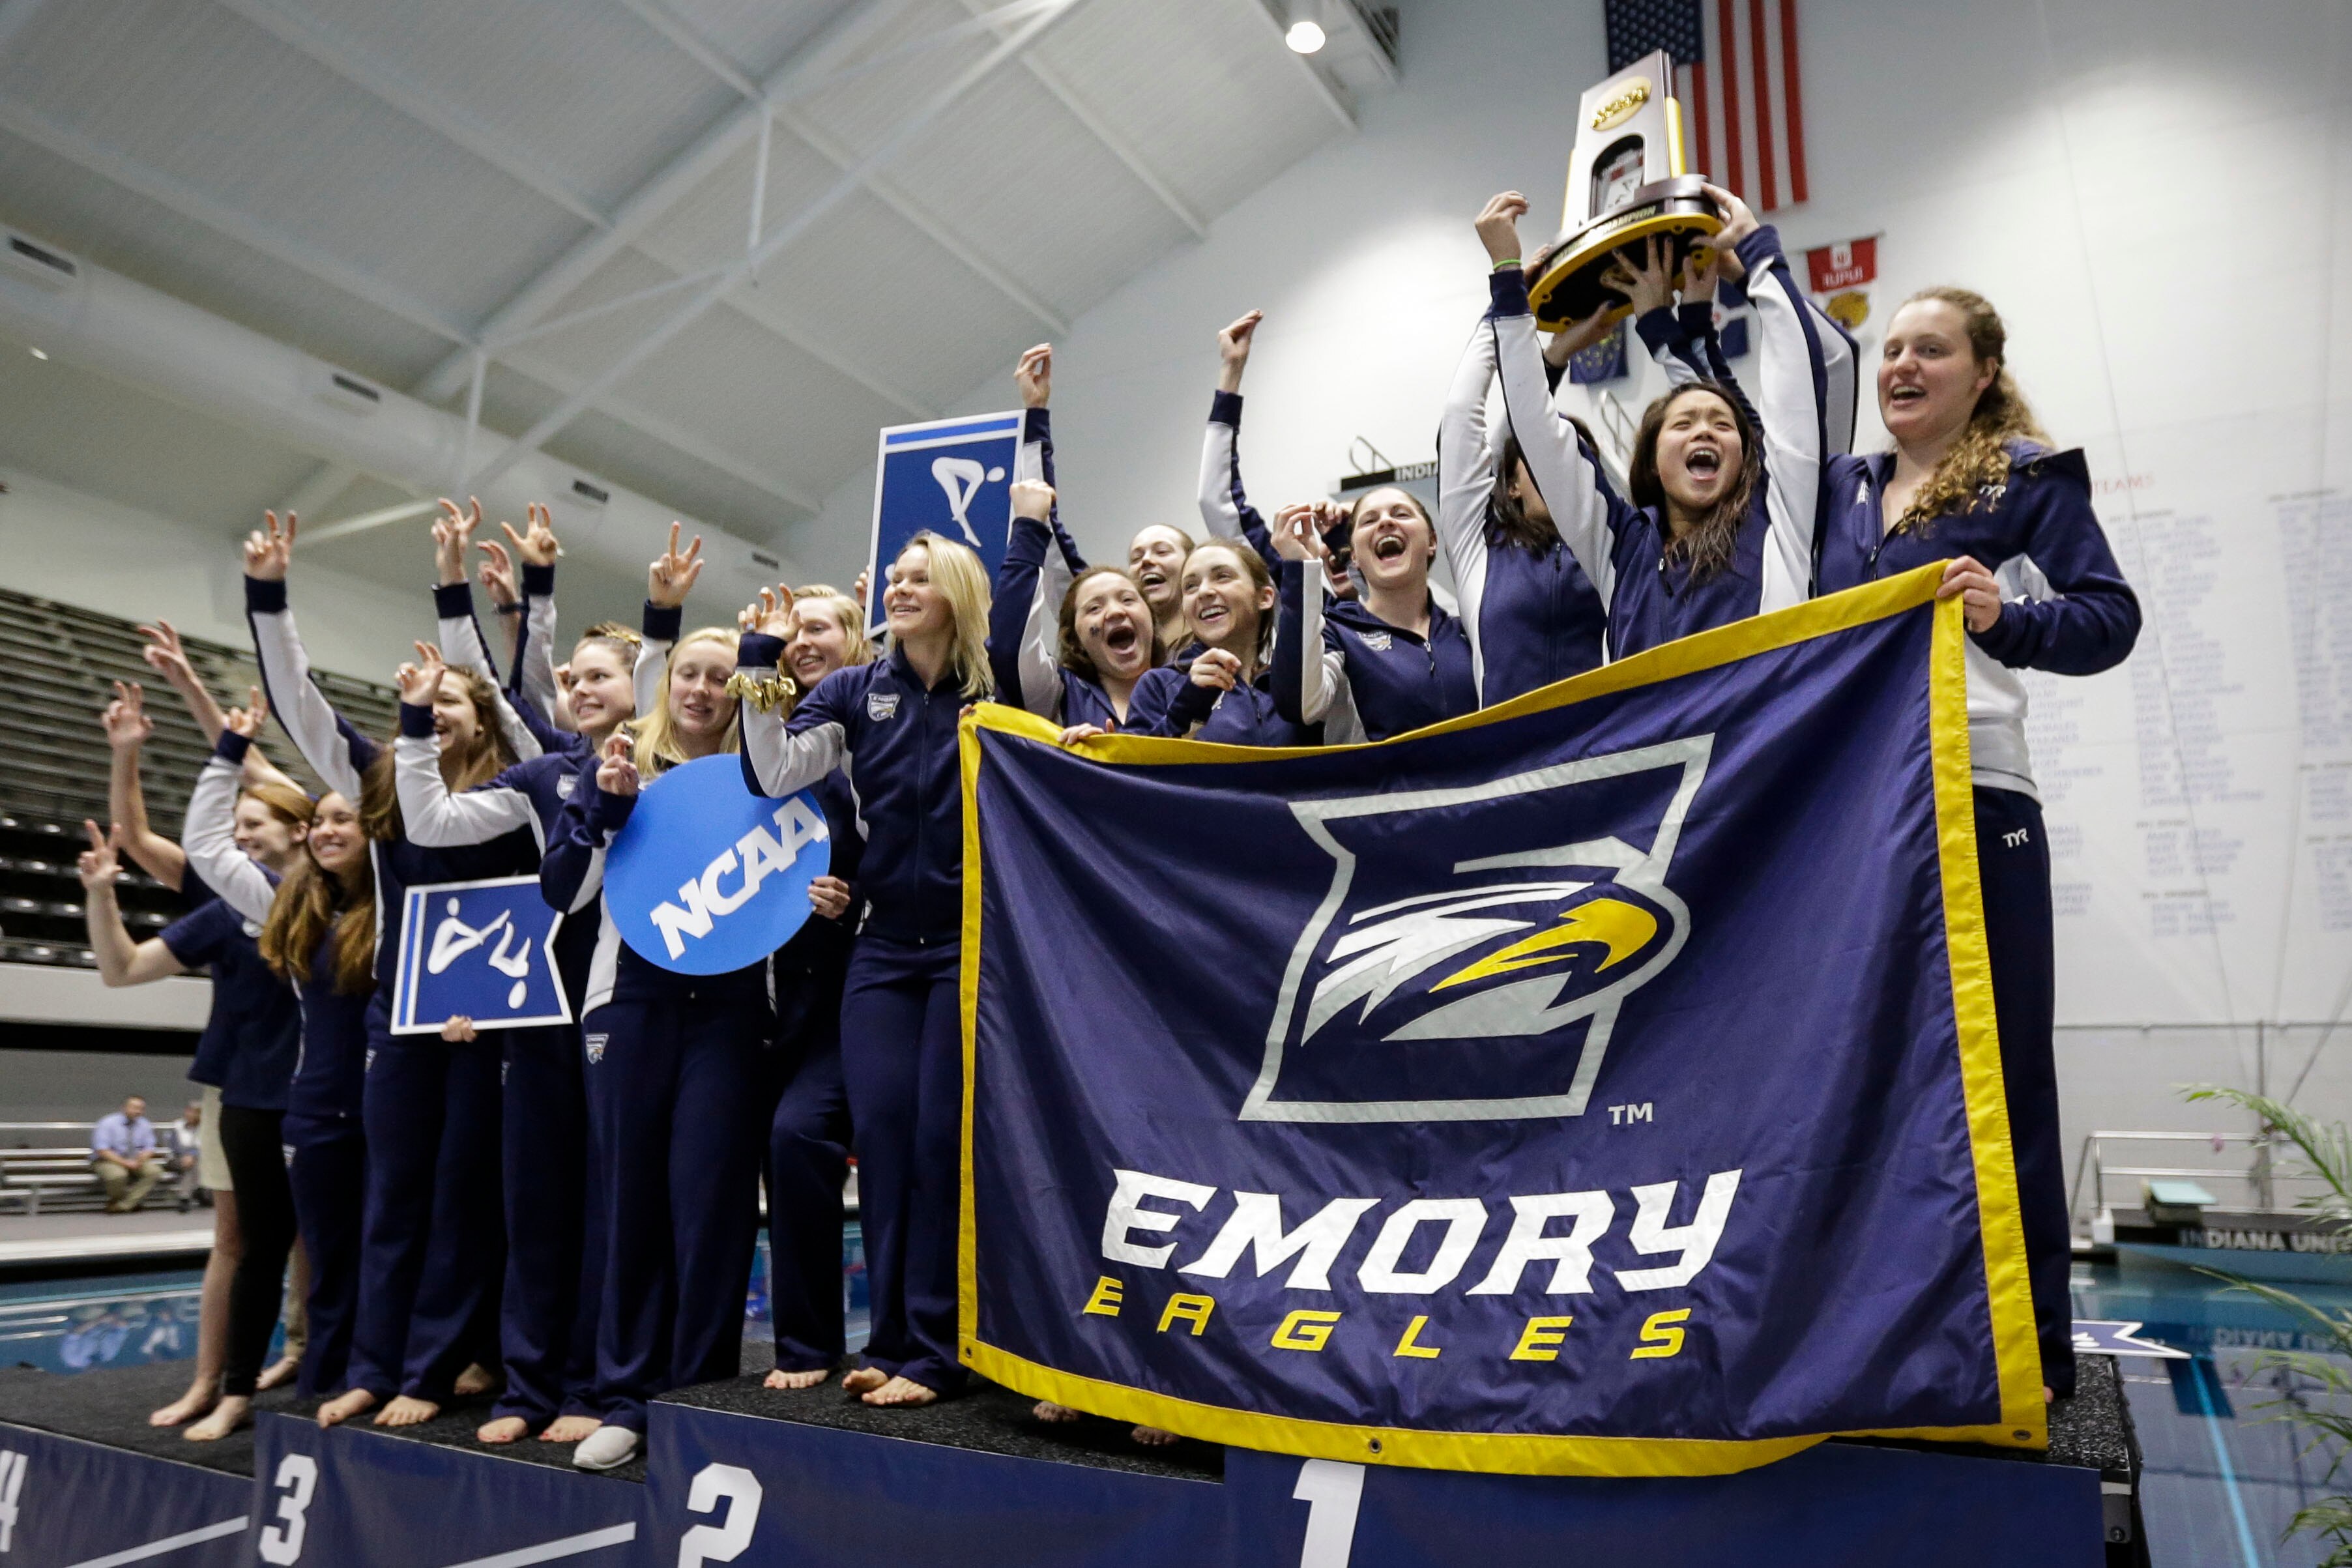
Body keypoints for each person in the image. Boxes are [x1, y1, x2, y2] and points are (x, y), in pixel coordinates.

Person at [1812, 285, 2141, 1401]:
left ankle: (2028, 1350)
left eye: (1930, 350)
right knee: (1866, 1079)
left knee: (1996, 1076)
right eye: (1891, 349)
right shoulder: (1840, 490)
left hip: (1974, 801)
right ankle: (1886, 1335)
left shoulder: (2025, 478)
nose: (1900, 365)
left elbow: (2109, 618)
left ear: (1984, 372)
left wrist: (2009, 619)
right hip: (1849, 816)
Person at [239, 510, 532, 1432]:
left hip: (487, 1019)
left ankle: (435, 1365)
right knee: (393, 1195)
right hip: (401, 1019)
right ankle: (375, 1362)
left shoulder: (514, 793)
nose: (435, 709)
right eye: (426, 699)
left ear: (482, 716)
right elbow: (298, 704)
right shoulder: (382, 780)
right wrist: (269, 597)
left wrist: (465, 595)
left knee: (460, 1197)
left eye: (453, 699)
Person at [737, 532, 993, 1413]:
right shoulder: (856, 689)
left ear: (957, 592)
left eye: (919, 579)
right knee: (881, 1142)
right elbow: (772, 769)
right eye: (894, 578)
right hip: (883, 952)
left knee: (937, 1142)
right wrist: (759, 660)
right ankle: (890, 1345)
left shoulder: (992, 684)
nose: (899, 589)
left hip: (968, 945)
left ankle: (940, 1349)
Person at [392, 520, 626, 1451]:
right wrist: (416, 723)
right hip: (543, 1006)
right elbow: (431, 817)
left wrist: (534, 593)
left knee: (604, 1206)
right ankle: (528, 1383)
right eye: (571, 680)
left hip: (629, 1006)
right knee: (534, 1203)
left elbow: (505, 686)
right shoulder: (544, 772)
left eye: (599, 676)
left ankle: (589, 1381)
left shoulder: (673, 768)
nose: (577, 688)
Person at [545, 529, 768, 1472]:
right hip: (632, 1004)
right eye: (690, 674)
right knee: (631, 1203)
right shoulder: (618, 768)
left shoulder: (767, 781)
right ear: (667, 684)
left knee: (710, 1205)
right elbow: (563, 891)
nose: (704, 689)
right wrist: (604, 812)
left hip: (730, 1011)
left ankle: (699, 1395)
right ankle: (628, 1395)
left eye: (723, 678)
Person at [1494, 186, 1853, 658]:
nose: (1704, 429)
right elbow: (1534, 429)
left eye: (1722, 426)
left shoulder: (1779, 514)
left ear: (1746, 456)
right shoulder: (1618, 547)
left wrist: (1758, 254)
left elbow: (1804, 374)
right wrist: (1509, 289)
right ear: (1651, 459)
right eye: (1682, 425)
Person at [84, 751, 313, 1442]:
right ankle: (211, 1380)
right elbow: (122, 968)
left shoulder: (343, 899)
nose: (240, 835)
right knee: (239, 1238)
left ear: (299, 830)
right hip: (244, 1094)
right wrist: (101, 894)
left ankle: (305, 1352)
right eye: (235, 825)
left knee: (314, 1232)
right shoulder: (226, 905)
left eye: (254, 823)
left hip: (322, 1095)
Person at [179, 700, 373, 1439]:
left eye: (343, 820)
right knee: (291, 1251)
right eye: (318, 820)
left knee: (375, 1245)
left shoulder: (399, 901)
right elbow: (205, 845)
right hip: (311, 1105)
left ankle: (374, 1371)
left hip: (384, 1102)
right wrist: (229, 749)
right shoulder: (288, 903)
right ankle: (276, 1383)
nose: (326, 831)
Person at [732, 582, 867, 1393]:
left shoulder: (866, 743)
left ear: (858, 642)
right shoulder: (759, 751)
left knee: (798, 1137)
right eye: (791, 636)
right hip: (759, 1007)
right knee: (772, 1155)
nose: (802, 643)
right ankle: (804, 1346)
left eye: (821, 628)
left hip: (850, 997)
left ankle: (824, 1345)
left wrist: (853, 900)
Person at [1435, 192, 1615, 704]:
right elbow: (1461, 416)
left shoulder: (1617, 546)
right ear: (1510, 484)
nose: (1558, 468)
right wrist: (1506, 291)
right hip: (1510, 752)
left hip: (1607, 749)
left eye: (1575, 458)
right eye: (1538, 463)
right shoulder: (1478, 547)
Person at [1269, 484, 1477, 742]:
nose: (1386, 522)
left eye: (1401, 514)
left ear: (1432, 542)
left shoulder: (1470, 630)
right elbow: (1299, 705)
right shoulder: (1338, 633)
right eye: (1369, 520)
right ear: (1354, 556)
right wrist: (1302, 568)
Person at [989, 480, 1164, 729]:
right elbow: (1010, 647)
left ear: (1152, 621)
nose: (1115, 612)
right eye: (1094, 608)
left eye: (1127, 599)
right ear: (1075, 640)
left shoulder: (1190, 688)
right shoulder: (1059, 696)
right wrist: (1028, 527)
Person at [1114, 540, 1313, 747]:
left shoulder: (1299, 682)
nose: (1204, 592)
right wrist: (1186, 709)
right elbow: (1137, 764)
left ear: (1265, 597)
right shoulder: (1159, 685)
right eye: (1190, 587)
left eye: (1222, 577)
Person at [89, 1096, 164, 1212]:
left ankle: (124, 1205)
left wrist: (143, 1157)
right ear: (124, 1108)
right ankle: (123, 1201)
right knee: (118, 1175)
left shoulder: (144, 1124)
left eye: (141, 1109)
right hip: (107, 1160)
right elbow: (102, 1150)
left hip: (135, 1159)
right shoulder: (108, 1123)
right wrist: (125, 1163)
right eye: (135, 1108)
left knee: (154, 1172)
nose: (138, 1111)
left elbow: (150, 1146)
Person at [167, 1102, 203, 1206]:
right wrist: (187, 1156)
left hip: (197, 1160)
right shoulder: (177, 1126)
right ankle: (197, 1191)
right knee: (192, 1165)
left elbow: (205, 1147)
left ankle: (185, 1198)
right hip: (176, 1159)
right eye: (189, 1111)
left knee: (193, 1165)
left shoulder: (204, 1128)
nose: (191, 1115)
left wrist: (192, 1156)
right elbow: (174, 1146)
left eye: (196, 1112)